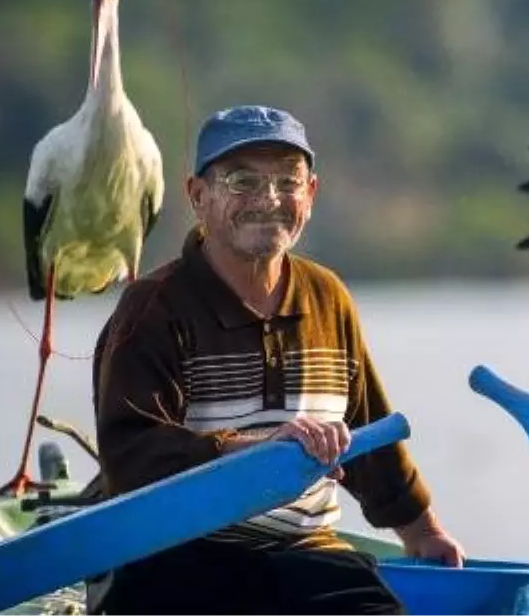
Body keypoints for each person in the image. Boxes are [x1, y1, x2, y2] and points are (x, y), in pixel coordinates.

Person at [91, 104, 464, 615]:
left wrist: (424, 533)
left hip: (307, 553)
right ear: (198, 196)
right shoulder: (154, 308)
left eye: (288, 182)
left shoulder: (327, 297)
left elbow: (369, 437)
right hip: (179, 559)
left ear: (310, 195)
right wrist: (253, 448)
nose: (269, 200)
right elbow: (129, 454)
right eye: (243, 181)